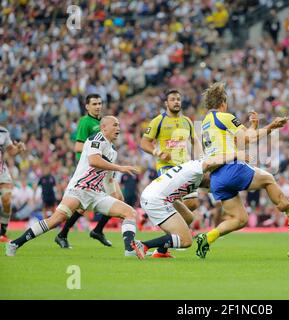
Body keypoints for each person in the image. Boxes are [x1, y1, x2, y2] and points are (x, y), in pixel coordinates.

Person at [6, 116, 140, 257]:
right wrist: (120, 168)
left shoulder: (113, 152)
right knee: (55, 220)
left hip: (96, 195)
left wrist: (115, 195)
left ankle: (129, 250)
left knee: (129, 212)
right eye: (115, 125)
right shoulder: (97, 139)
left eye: (119, 125)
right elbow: (94, 161)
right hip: (79, 190)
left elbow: (107, 179)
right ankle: (15, 243)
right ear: (104, 127)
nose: (118, 128)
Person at [195, 82, 289, 259]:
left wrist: (253, 126)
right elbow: (249, 139)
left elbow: (239, 141)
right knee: (267, 178)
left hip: (217, 178)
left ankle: (207, 237)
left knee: (240, 219)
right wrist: (272, 126)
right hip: (231, 168)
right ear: (223, 103)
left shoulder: (205, 123)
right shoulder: (224, 116)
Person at [132, 152, 245, 259]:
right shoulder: (197, 168)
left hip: (159, 196)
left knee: (188, 217)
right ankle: (143, 245)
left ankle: (161, 252)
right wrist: (235, 154)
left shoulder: (197, 173)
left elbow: (212, 186)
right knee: (186, 241)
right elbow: (210, 163)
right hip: (156, 200)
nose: (213, 183)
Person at [140, 89, 202, 258]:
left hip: (186, 167)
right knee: (177, 205)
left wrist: (200, 159)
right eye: (173, 99)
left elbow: (195, 141)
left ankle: (161, 248)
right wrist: (157, 153)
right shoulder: (158, 121)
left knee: (192, 209)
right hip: (167, 168)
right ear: (166, 103)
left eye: (179, 99)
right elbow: (144, 142)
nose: (176, 102)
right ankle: (161, 225)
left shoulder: (187, 121)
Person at [55, 94, 122, 249]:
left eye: (100, 103)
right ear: (87, 106)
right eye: (94, 104)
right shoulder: (85, 122)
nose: (98, 106)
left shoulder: (103, 122)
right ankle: (64, 234)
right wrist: (96, 152)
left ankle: (95, 230)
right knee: (84, 205)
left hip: (103, 169)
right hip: (91, 170)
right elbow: (78, 147)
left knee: (117, 197)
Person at [0, 125, 26, 242]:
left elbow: (11, 150)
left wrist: (19, 148)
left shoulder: (3, 131)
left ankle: (3, 232)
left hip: (2, 172)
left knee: (7, 200)